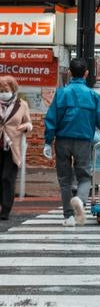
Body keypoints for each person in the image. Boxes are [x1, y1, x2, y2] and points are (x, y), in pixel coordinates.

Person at [44, 58, 100, 227]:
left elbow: (51, 118)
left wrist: (47, 141)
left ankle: (68, 217)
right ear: (86, 73)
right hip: (83, 140)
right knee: (84, 176)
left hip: (62, 141)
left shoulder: (61, 93)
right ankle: (80, 201)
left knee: (65, 180)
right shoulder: (92, 95)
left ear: (69, 73)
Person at [0, 76, 32, 220]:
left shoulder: (22, 104)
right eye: (0, 90)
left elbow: (28, 123)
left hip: (12, 147)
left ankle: (5, 209)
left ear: (13, 89)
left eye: (5, 90)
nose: (3, 92)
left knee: (7, 178)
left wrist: (24, 127)